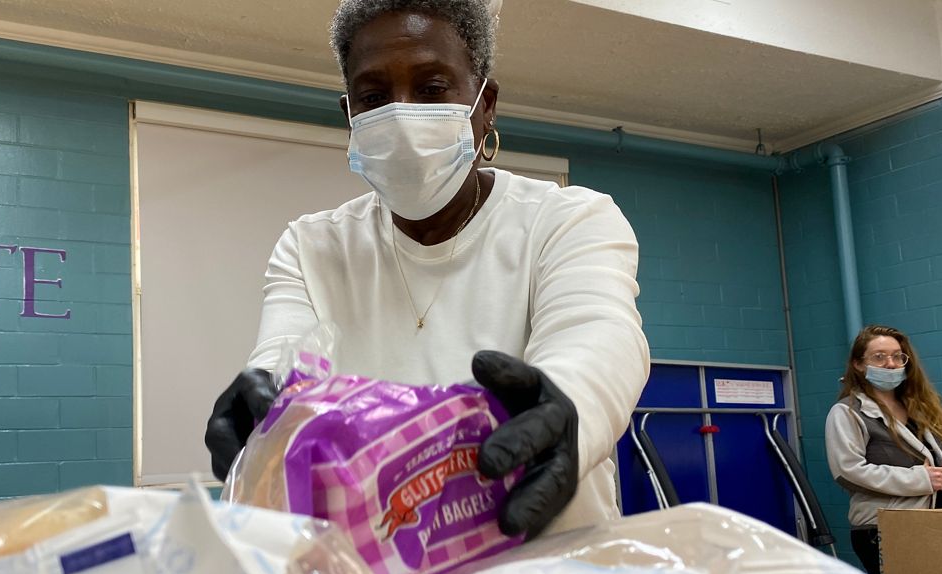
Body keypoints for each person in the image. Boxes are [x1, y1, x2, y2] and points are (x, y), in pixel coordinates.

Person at [205, 0, 649, 539]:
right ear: (350, 116)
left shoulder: (567, 220)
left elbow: (599, 336)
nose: (402, 117)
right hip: (376, 570)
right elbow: (282, 360)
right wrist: (262, 412)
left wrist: (569, 406)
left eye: (433, 88)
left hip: (547, 564)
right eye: (374, 97)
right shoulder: (312, 246)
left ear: (485, 106)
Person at [825, 324, 942, 574]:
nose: (891, 364)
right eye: (879, 357)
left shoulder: (922, 408)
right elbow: (847, 472)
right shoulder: (847, 412)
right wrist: (919, 479)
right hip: (885, 528)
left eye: (897, 356)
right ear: (858, 364)